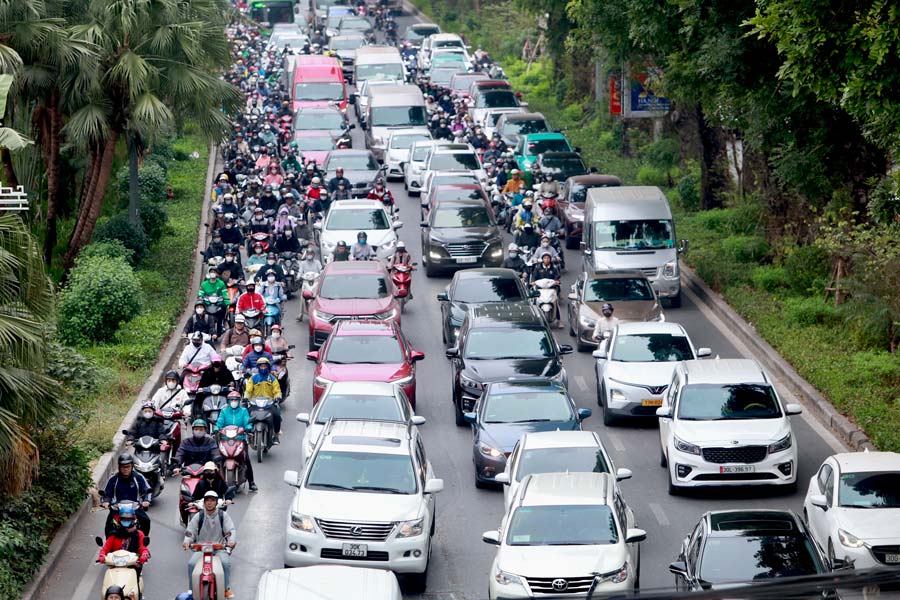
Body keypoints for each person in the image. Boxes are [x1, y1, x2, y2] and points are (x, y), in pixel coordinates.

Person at [183, 491, 236, 598]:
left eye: (212, 500)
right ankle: (191, 590)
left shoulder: (223, 515)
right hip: (202, 548)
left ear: (216, 503)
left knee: (225, 563)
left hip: (218, 548)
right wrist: (187, 541)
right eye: (207, 500)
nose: (209, 503)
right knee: (191, 564)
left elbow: (230, 530)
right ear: (204, 503)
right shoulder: (199, 516)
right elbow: (190, 531)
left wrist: (231, 541)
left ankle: (225, 589)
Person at [100, 454, 152, 536]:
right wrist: (105, 502)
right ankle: (109, 546)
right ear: (119, 467)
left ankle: (143, 542)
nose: (125, 469)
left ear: (132, 466)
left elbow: (147, 490)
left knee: (146, 521)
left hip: (135, 509)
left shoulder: (138, 477)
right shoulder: (113, 479)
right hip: (117, 509)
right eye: (123, 467)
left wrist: (146, 500)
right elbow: (106, 493)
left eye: (128, 466)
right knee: (109, 526)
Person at [215, 393, 257, 491]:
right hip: (225, 440)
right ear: (228, 401)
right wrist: (217, 428)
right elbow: (220, 422)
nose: (234, 402)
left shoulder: (243, 411)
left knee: (246, 459)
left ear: (239, 401)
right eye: (232, 400)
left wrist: (248, 427)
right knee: (217, 459)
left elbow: (247, 421)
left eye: (236, 400)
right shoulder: (224, 411)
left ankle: (251, 482)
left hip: (240, 439)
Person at [97, 504, 150, 570]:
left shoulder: (139, 534)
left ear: (133, 520)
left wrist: (144, 554)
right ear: (119, 520)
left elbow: (142, 548)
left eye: (128, 519)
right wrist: (102, 555)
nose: (126, 521)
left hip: (134, 563)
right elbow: (105, 548)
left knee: (137, 574)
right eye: (123, 519)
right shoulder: (114, 534)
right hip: (115, 564)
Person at [243, 357, 282, 443]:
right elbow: (248, 390)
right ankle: (245, 434)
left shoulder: (272, 378)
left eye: (265, 366)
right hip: (255, 403)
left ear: (268, 367)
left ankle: (276, 435)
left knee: (277, 415)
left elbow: (277, 390)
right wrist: (246, 398)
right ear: (258, 367)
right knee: (245, 414)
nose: (263, 368)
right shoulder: (253, 378)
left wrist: (278, 397)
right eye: (261, 366)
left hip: (269, 403)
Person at [199, 267, 229, 333]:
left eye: (214, 272)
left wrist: (227, 302)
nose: (213, 273)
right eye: (211, 272)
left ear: (217, 274)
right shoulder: (204, 284)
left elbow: (225, 293)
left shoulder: (221, 283)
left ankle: (222, 323)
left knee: (224, 308)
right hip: (207, 302)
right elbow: (201, 292)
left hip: (218, 302)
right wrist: (200, 297)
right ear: (209, 274)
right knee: (199, 308)